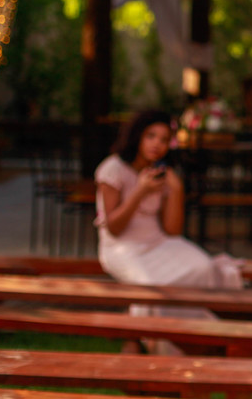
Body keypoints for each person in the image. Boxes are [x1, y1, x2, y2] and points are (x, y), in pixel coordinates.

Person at [95, 109, 242, 351]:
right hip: (123, 248)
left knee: (202, 267)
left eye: (164, 140)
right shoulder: (112, 169)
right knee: (151, 287)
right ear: (137, 136)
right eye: (151, 136)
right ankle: (158, 347)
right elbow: (113, 228)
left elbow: (173, 231)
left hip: (158, 242)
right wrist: (140, 191)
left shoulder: (162, 173)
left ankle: (190, 338)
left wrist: (176, 190)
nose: (157, 145)